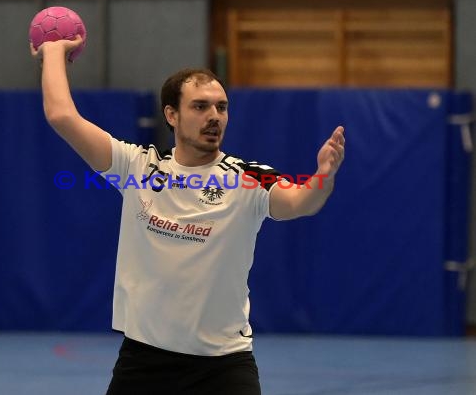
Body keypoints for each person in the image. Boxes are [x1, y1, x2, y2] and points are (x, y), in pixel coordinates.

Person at [31, 35, 345, 395]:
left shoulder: (249, 178)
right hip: (144, 362)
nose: (214, 117)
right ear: (171, 114)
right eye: (200, 107)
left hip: (224, 366)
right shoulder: (136, 166)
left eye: (221, 107)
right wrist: (53, 50)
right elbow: (61, 114)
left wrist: (323, 176)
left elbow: (302, 202)